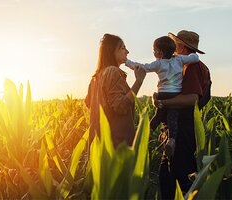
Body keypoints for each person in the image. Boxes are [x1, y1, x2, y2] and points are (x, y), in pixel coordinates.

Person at [153, 30, 211, 199]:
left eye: (175, 44)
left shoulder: (192, 67)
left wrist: (163, 103)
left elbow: (192, 99)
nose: (173, 47)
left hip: (183, 131)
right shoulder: (189, 66)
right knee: (171, 176)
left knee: (175, 179)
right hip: (180, 129)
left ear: (182, 47)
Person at [125, 36, 200, 158]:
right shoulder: (180, 59)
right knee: (172, 118)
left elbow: (141, 67)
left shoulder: (158, 64)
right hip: (175, 94)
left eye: (154, 50)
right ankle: (172, 140)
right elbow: (195, 57)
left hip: (162, 93)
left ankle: (145, 133)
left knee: (158, 115)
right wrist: (189, 56)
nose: (153, 52)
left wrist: (127, 62)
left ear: (159, 52)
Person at [85, 33, 147, 148]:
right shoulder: (113, 72)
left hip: (97, 145)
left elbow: (88, 103)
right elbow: (121, 106)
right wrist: (139, 81)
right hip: (115, 145)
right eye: (123, 48)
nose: (127, 52)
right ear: (112, 51)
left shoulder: (95, 78)